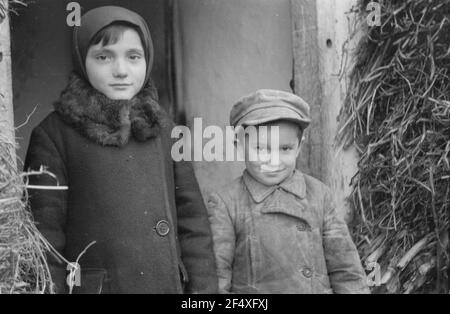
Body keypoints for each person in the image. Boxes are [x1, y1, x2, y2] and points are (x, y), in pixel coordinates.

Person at [24, 6, 217, 294]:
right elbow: (45, 242)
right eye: (103, 57)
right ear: (81, 60)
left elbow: (193, 222)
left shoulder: (163, 128)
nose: (121, 70)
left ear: (147, 60)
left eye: (133, 57)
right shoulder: (54, 136)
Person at [206, 89, 369, 294]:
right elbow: (216, 278)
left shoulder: (319, 195)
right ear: (239, 146)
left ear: (299, 148)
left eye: (285, 149)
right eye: (262, 149)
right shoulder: (227, 202)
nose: (274, 161)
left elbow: (346, 270)